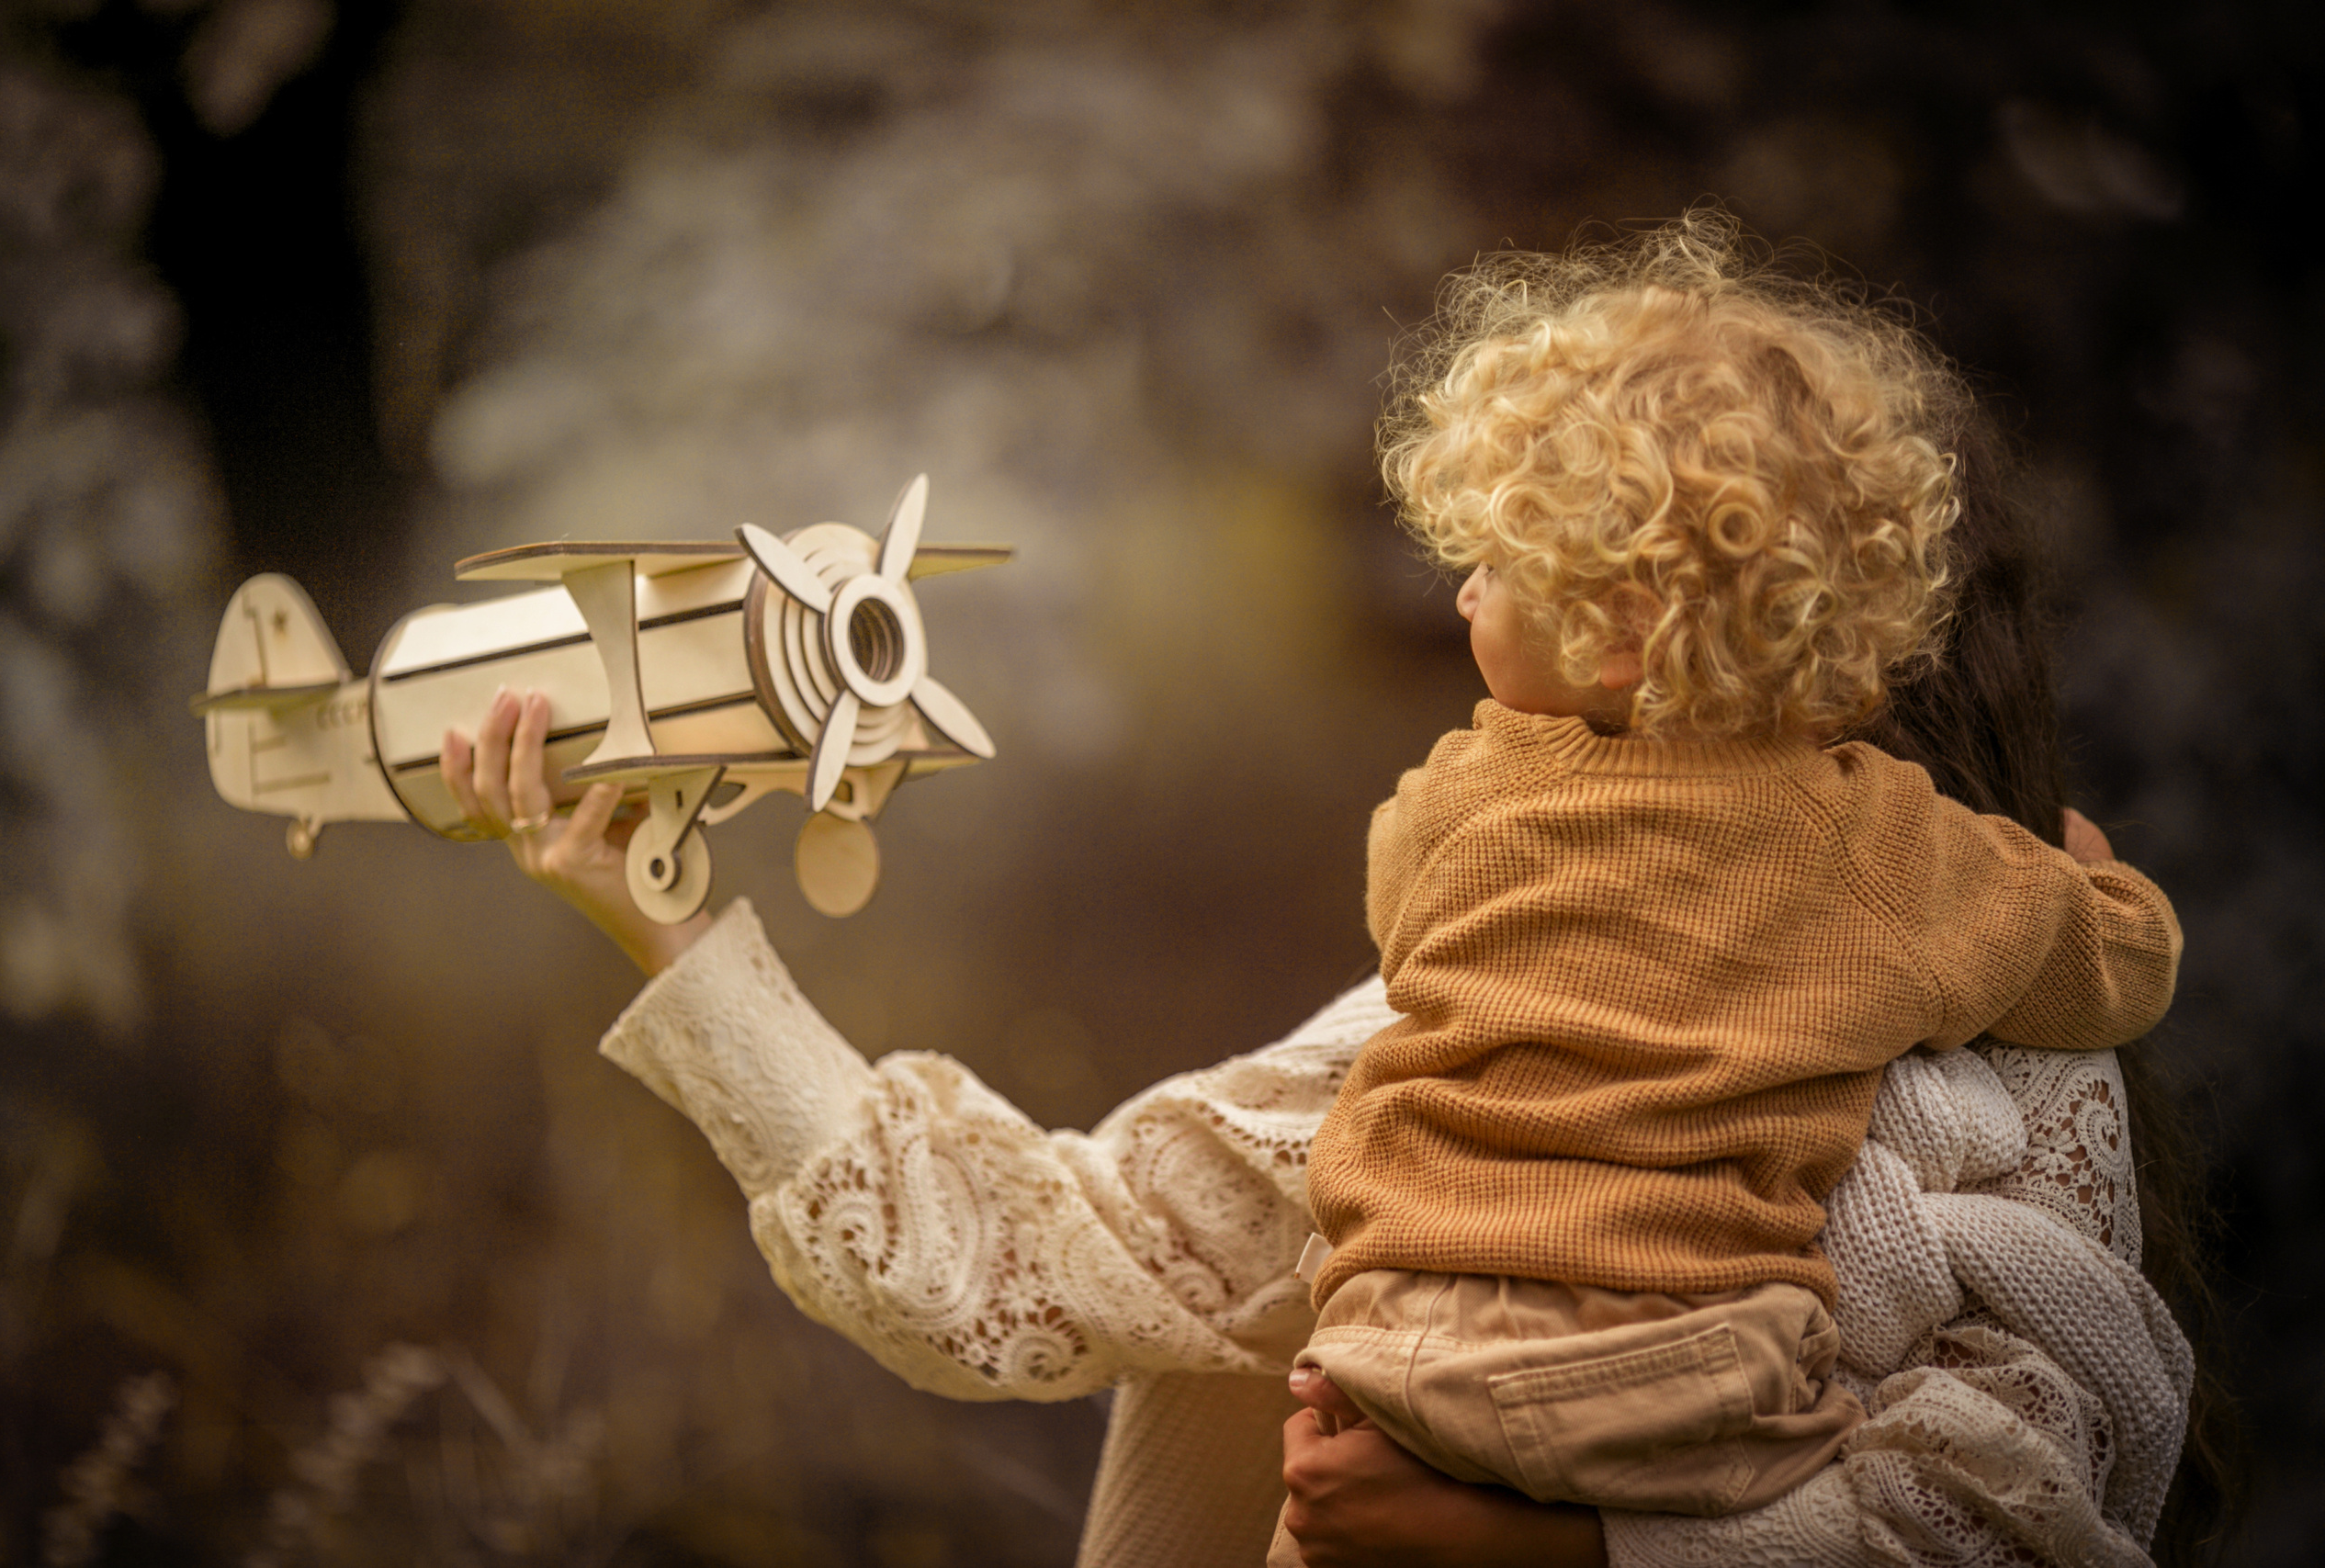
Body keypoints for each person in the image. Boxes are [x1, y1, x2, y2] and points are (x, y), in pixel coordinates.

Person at [438, 220, 2201, 1568]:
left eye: (1514, 567)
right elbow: (1041, 1247)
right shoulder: (1450, 1054)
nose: (1457, 610)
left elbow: (2028, 1504)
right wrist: (655, 915)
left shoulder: (1984, 1088)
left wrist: (1552, 1545)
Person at [1261, 218, 2182, 1562]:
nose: (1463, 591)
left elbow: (1398, 915)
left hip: (1395, 1340)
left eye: (1500, 564)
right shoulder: (1876, 842)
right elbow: (2119, 968)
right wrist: (2092, 880)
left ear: (1623, 632)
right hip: (1696, 1384)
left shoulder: (1469, 793)